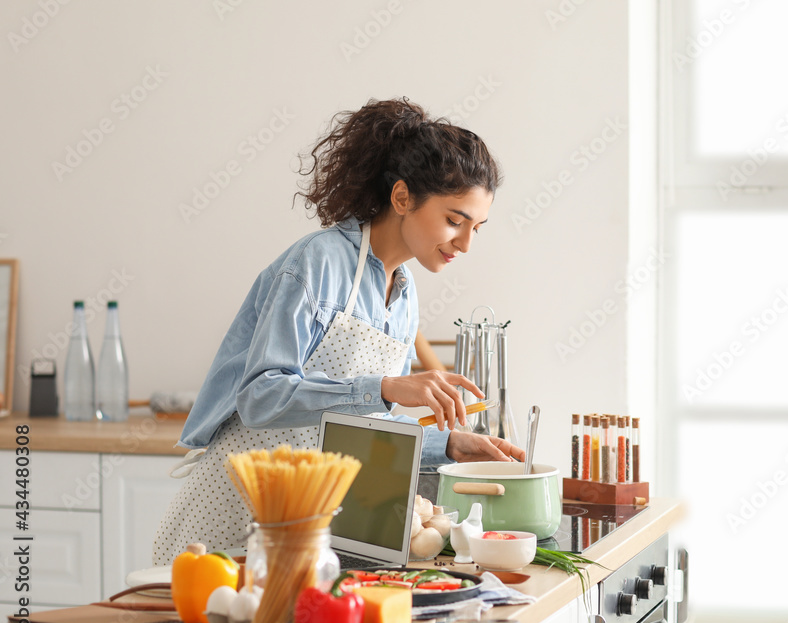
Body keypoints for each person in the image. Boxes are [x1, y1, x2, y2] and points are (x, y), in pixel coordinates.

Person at [153, 98, 523, 565]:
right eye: (454, 221)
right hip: (232, 514)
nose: (466, 244)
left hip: (304, 524)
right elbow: (260, 396)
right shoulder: (319, 262)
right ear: (403, 198)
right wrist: (387, 387)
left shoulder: (404, 295)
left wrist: (449, 444)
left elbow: (368, 428)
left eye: (477, 228)